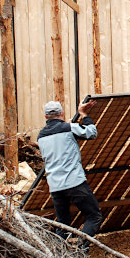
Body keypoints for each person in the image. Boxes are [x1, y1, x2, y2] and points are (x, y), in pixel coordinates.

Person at [37, 99, 102, 246]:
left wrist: (68, 125)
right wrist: (84, 114)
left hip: (55, 186)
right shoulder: (69, 128)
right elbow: (92, 133)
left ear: (46, 116)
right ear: (61, 113)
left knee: (63, 224)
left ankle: (60, 256)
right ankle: (81, 250)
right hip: (74, 182)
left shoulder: (41, 136)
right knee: (94, 216)